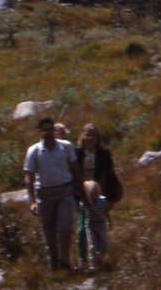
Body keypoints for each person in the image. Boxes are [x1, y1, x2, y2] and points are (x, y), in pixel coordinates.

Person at [23, 114, 79, 270]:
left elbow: (75, 169)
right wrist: (32, 201)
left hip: (65, 190)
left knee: (66, 228)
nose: (48, 133)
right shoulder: (34, 151)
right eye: (44, 130)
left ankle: (65, 260)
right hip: (45, 193)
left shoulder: (65, 146)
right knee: (49, 232)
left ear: (54, 130)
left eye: (50, 129)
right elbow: (29, 177)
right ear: (40, 132)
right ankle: (53, 266)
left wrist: (82, 191)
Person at [75, 123, 122, 273]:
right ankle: (83, 259)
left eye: (93, 135)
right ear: (82, 136)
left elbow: (109, 174)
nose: (89, 138)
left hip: (98, 192)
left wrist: (109, 196)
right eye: (87, 134)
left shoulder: (104, 153)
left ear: (98, 138)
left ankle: (100, 257)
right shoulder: (77, 153)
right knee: (83, 225)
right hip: (81, 192)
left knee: (99, 224)